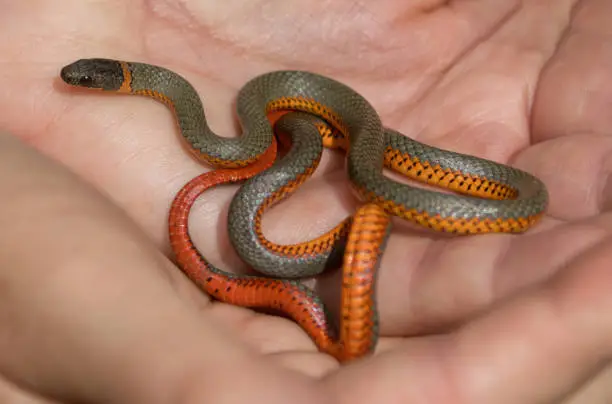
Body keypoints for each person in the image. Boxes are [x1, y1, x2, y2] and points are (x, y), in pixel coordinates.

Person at [1, 1, 610, 402]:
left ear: (120, 78)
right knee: (307, 214)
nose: (77, 82)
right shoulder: (246, 115)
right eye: (84, 79)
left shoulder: (300, 128)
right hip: (297, 166)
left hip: (410, 168)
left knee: (374, 166)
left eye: (85, 79)